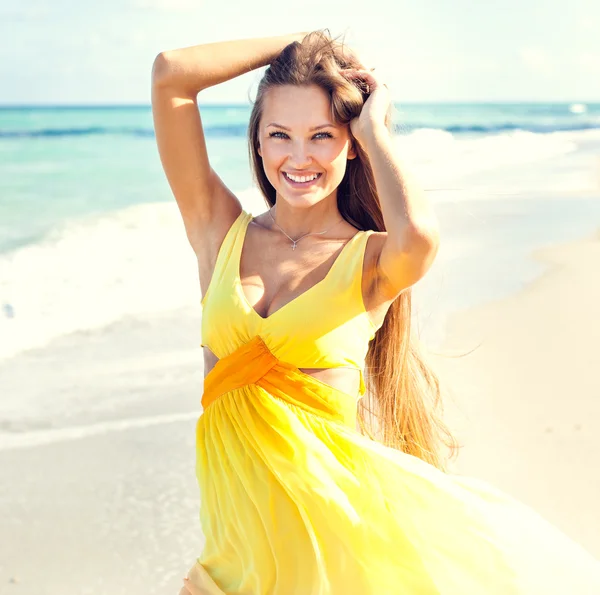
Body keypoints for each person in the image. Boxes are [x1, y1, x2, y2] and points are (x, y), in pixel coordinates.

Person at [151, 30, 600, 595]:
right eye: (279, 135)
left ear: (350, 145)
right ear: (258, 144)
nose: (298, 156)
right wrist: (295, 44)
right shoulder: (218, 234)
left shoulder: (368, 261)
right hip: (231, 560)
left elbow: (420, 237)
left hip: (338, 552)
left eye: (322, 136)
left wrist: (374, 128)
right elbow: (171, 73)